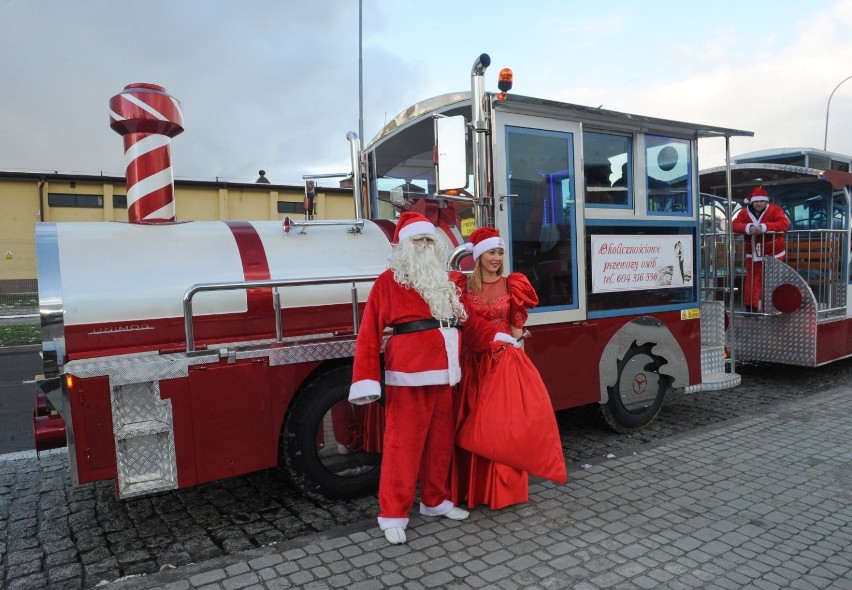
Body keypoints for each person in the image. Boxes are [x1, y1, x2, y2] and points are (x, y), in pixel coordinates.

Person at [348, 211, 471, 545]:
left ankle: (435, 500)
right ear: (403, 245)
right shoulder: (388, 281)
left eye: (429, 239)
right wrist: (366, 378)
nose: (425, 245)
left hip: (445, 371)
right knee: (402, 446)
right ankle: (392, 513)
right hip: (409, 374)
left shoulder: (444, 280)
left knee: (440, 442)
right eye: (418, 240)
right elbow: (369, 332)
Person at [449, 227, 540, 510]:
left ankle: (501, 491)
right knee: (471, 424)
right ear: (478, 256)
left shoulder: (513, 285)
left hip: (501, 363)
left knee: (500, 427)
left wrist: (520, 370)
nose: (496, 258)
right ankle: (470, 489)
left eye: (500, 252)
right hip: (472, 365)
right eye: (491, 252)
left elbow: (517, 329)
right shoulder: (463, 287)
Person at [732, 186, 789, 311]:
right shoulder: (743, 212)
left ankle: (771, 306)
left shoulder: (775, 210)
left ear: (766, 201)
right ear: (752, 201)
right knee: (752, 280)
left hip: (774, 252)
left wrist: (764, 227)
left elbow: (784, 224)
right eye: (757, 201)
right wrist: (748, 227)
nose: (759, 204)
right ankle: (751, 307)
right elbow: (734, 225)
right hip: (752, 252)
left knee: (772, 279)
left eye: (762, 201)